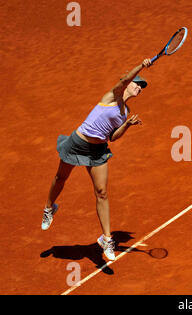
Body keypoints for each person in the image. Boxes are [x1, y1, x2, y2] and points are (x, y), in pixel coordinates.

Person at [41, 59, 153, 261]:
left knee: (102, 192)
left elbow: (113, 137)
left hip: (97, 150)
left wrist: (127, 125)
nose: (140, 88)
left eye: (142, 87)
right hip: (77, 143)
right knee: (60, 177)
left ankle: (107, 239)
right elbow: (126, 78)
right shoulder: (113, 96)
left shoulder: (124, 112)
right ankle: (49, 207)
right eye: (138, 84)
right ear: (128, 84)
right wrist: (142, 65)